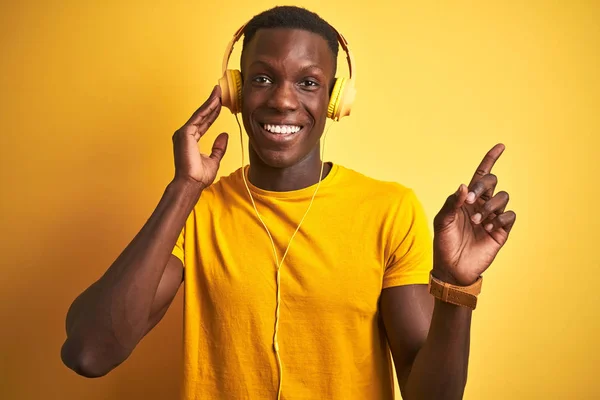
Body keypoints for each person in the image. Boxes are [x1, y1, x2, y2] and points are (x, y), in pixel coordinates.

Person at [60, 6, 516, 400]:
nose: (282, 100)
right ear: (235, 92)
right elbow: (89, 352)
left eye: (308, 83)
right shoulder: (196, 211)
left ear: (336, 100)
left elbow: (428, 393)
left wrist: (456, 287)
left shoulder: (389, 209)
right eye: (262, 78)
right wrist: (182, 189)